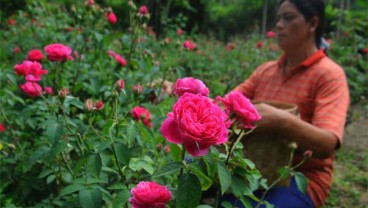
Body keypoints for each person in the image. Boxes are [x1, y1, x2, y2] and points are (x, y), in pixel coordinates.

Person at [220, 0, 350, 207]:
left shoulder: (329, 75)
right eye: (278, 18)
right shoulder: (266, 71)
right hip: (253, 166)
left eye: (288, 18)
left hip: (300, 176)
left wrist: (281, 121)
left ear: (312, 23)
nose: (279, 24)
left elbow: (327, 144)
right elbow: (226, 105)